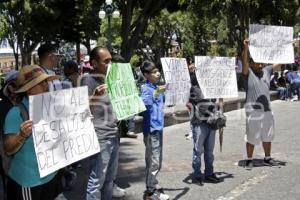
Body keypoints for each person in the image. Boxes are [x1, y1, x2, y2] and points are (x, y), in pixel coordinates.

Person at [3, 65, 62, 200]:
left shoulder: (50, 106)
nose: (46, 86)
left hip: (50, 176)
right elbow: (8, 149)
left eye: (46, 82)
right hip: (29, 181)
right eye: (41, 83)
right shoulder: (16, 113)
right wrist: (21, 135)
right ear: (29, 90)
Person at [80, 46, 120, 200]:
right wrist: (95, 96)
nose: (110, 64)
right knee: (97, 180)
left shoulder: (112, 78)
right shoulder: (87, 80)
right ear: (94, 63)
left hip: (114, 134)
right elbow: (80, 110)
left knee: (110, 179)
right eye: (106, 61)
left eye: (111, 60)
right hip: (100, 137)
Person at [241, 39, 281, 169]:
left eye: (261, 64)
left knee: (268, 135)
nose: (260, 66)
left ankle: (267, 158)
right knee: (252, 136)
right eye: (257, 63)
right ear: (252, 64)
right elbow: (244, 61)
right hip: (253, 111)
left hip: (267, 110)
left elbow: (280, 62)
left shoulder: (267, 70)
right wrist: (246, 48)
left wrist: (290, 49)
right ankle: (249, 159)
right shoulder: (248, 73)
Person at [187, 60, 223, 185]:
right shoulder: (193, 85)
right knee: (198, 150)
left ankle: (209, 173)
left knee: (209, 151)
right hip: (199, 122)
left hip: (211, 122)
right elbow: (184, 84)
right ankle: (196, 175)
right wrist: (191, 70)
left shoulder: (212, 85)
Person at [140, 61, 169, 200]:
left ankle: (152, 184)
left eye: (158, 71)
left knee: (157, 159)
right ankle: (150, 191)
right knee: (154, 160)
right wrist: (158, 92)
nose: (158, 74)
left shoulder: (156, 87)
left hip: (158, 127)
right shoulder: (145, 88)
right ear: (146, 75)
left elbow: (163, 103)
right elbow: (145, 105)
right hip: (151, 130)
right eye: (154, 72)